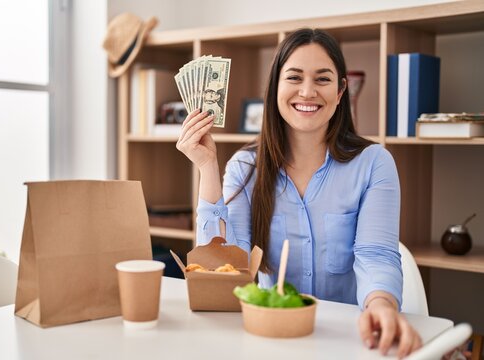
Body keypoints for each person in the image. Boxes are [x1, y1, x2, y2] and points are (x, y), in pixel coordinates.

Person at [176, 28, 422, 357]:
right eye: (294, 77)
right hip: (271, 340)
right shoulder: (245, 167)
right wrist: (207, 167)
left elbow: (376, 257)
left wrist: (382, 305)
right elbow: (223, 269)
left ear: (340, 91)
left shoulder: (374, 164)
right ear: (275, 86)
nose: (307, 92)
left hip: (349, 342)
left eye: (322, 79)